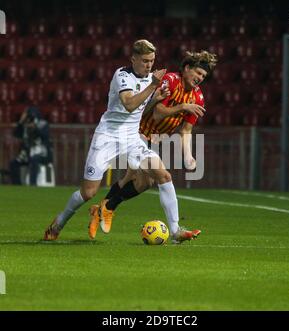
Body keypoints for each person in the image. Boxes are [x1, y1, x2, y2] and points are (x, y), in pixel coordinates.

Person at [44, 39, 204, 244]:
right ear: (134, 58)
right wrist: (153, 88)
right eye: (145, 60)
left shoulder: (151, 80)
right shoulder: (122, 75)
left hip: (132, 138)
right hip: (107, 137)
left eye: (152, 61)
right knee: (88, 192)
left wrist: (155, 99)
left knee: (163, 175)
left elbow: (142, 111)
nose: (149, 65)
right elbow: (129, 104)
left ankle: (175, 231)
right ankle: (58, 224)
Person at [89, 50, 217, 242]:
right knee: (151, 177)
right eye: (198, 73)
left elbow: (186, 131)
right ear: (187, 68)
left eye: (203, 76)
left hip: (153, 139)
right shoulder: (170, 80)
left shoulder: (197, 98)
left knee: (141, 182)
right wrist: (182, 107)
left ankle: (103, 208)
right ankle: (173, 230)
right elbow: (157, 113)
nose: (200, 78)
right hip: (136, 132)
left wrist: (188, 157)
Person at [10, 106, 52, 186]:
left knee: (34, 160)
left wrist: (35, 127)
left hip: (43, 154)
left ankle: (33, 184)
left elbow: (45, 136)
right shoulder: (25, 125)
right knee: (13, 163)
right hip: (28, 153)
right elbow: (16, 134)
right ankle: (17, 185)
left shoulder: (43, 124)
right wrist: (20, 122)